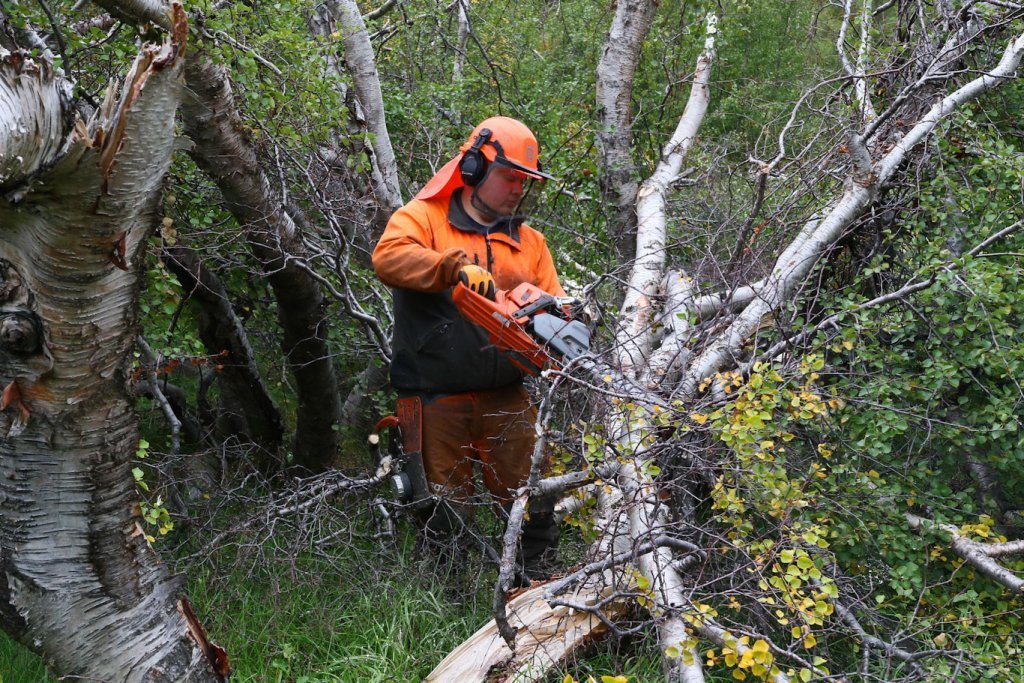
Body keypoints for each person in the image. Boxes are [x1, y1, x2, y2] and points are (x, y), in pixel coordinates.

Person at [372, 116, 564, 582]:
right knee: (443, 512)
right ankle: (450, 598)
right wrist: (451, 267)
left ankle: (538, 588)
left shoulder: (529, 243)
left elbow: (556, 308)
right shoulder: (423, 218)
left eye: (524, 181)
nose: (517, 189)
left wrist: (564, 323)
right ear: (475, 167)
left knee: (533, 499)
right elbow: (388, 257)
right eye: (509, 177)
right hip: (434, 396)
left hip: (506, 393)